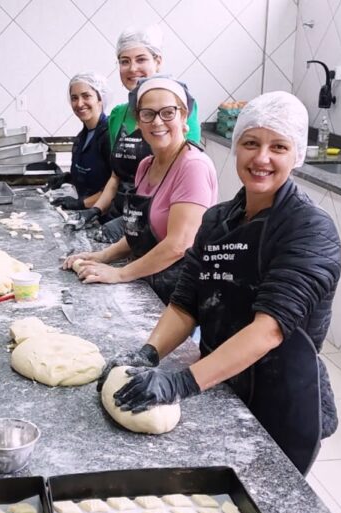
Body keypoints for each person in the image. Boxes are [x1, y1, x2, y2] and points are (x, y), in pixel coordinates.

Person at [103, 91, 341, 475]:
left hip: (280, 399)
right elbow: (185, 304)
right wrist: (148, 354)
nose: (261, 158)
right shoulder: (216, 221)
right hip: (219, 381)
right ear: (236, 148)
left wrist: (180, 383)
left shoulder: (309, 230)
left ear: (295, 155)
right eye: (251, 143)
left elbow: (268, 332)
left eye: (278, 147)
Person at [62, 77, 216, 304]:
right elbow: (141, 234)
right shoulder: (146, 166)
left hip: (180, 294)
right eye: (148, 114)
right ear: (138, 121)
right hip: (148, 280)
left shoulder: (193, 166)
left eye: (168, 113)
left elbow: (178, 244)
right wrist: (103, 256)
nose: (157, 122)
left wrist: (120, 273)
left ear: (183, 116)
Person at [80, 25, 203, 241]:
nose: (132, 68)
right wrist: (96, 210)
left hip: (159, 227)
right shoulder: (118, 114)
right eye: (124, 61)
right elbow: (116, 176)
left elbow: (179, 178)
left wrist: (131, 222)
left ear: (158, 61)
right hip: (120, 219)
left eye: (141, 59)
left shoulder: (181, 110)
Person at [47, 72, 112, 211]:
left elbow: (115, 188)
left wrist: (82, 204)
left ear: (100, 98)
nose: (79, 103)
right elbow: (93, 177)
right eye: (74, 98)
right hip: (86, 215)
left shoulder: (110, 136)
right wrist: (68, 178)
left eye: (86, 96)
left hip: (104, 216)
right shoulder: (81, 138)